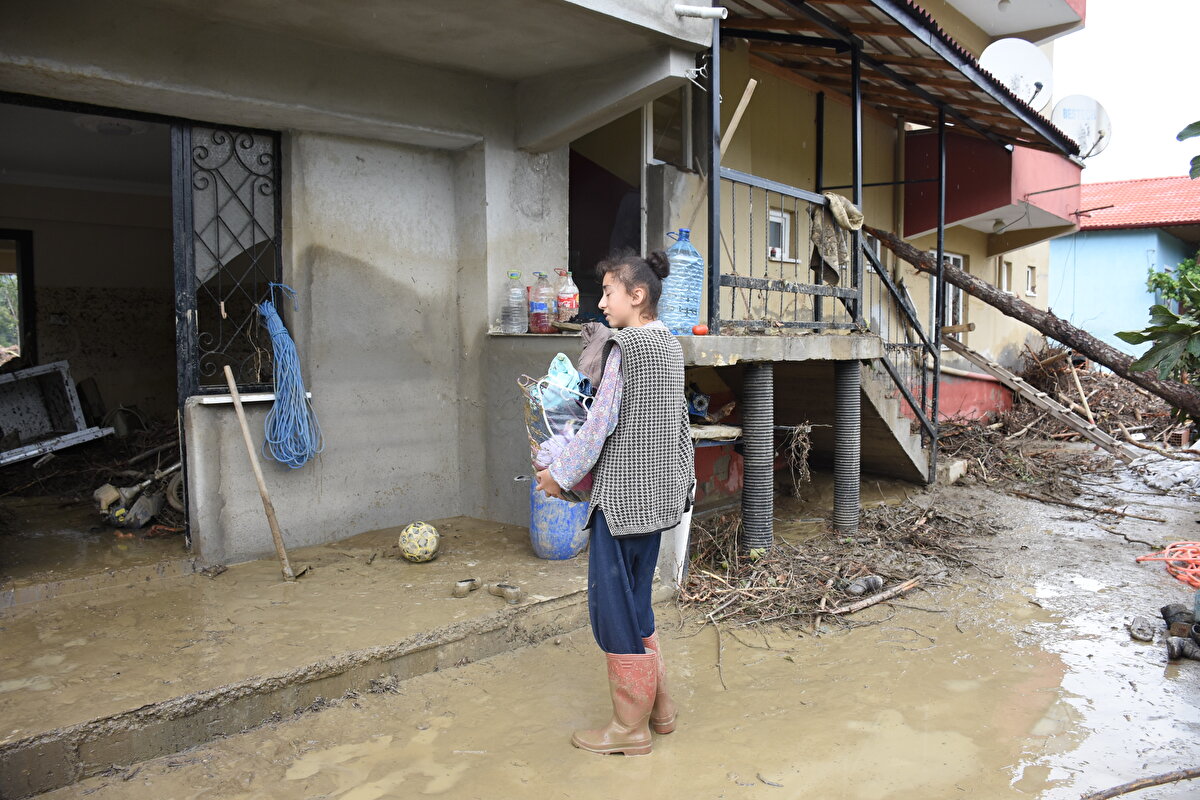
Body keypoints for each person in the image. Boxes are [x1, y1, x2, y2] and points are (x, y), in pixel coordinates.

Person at [535, 249, 695, 756]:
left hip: (622, 499)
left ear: (636, 295)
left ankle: (629, 729)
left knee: (612, 610)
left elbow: (598, 426)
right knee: (636, 599)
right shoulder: (670, 345)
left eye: (607, 292)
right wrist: (683, 482)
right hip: (657, 498)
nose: (600, 302)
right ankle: (661, 709)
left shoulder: (625, 347)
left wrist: (558, 475)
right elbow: (678, 423)